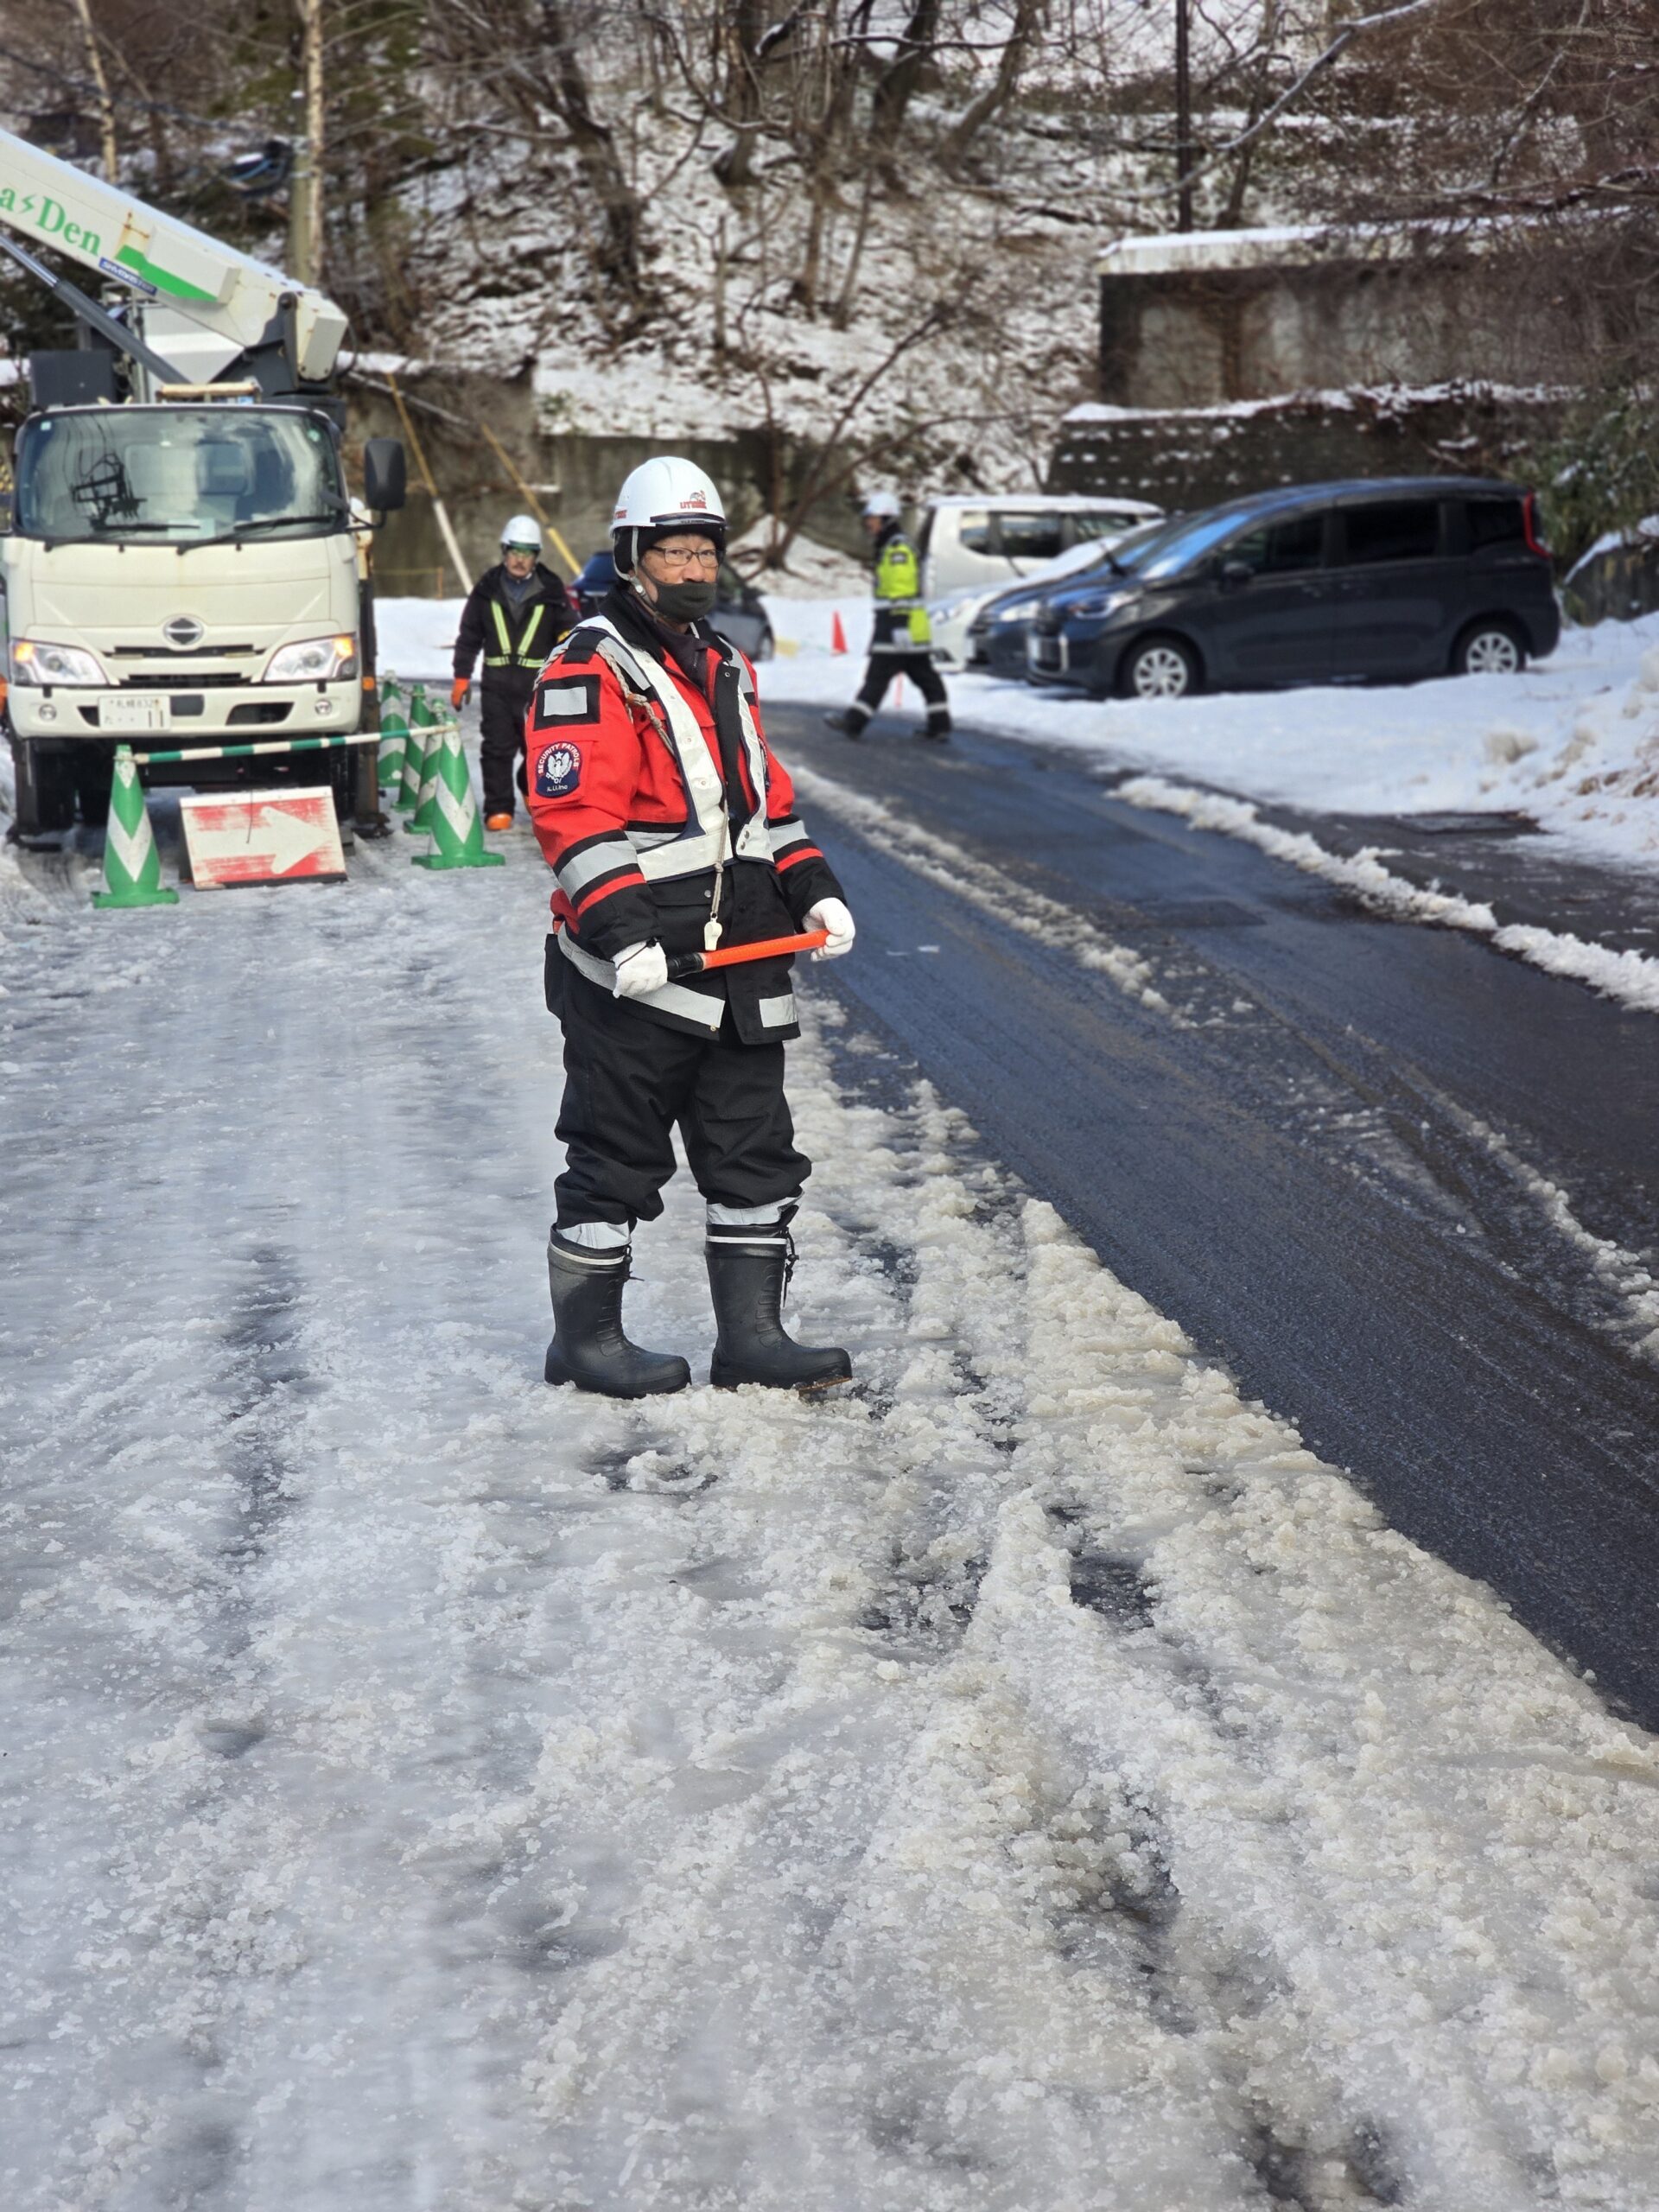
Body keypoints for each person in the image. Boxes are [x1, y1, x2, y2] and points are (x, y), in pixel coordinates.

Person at [525, 455, 857, 1400]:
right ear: (632, 557)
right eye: (672, 550)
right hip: (633, 972)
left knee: (754, 1152)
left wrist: (814, 890)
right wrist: (622, 930)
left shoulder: (724, 663)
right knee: (614, 1158)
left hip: (745, 957)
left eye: (705, 549)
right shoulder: (589, 667)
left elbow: (766, 809)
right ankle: (585, 1344)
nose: (693, 566)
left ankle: (752, 1339)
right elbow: (572, 816)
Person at [452, 516, 574, 830]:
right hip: (496, 687)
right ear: (504, 551)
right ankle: (498, 808)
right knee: (496, 748)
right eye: (515, 551)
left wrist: (567, 641)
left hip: (538, 688)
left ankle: (532, 791)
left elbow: (569, 627)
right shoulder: (486, 588)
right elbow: (469, 634)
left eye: (528, 552)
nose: (520, 559)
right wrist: (461, 675)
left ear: (536, 555)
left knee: (540, 748)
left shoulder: (551, 588)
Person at [824, 492, 951, 742]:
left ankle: (854, 723)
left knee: (879, 676)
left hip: (898, 626)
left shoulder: (896, 548)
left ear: (885, 518)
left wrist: (897, 625)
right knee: (925, 676)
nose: (868, 524)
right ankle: (940, 725)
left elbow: (901, 591)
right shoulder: (890, 544)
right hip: (905, 627)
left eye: (872, 518)